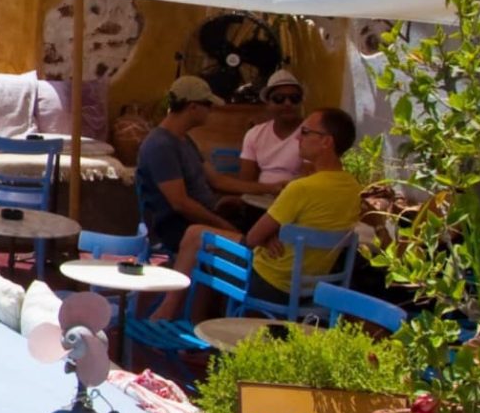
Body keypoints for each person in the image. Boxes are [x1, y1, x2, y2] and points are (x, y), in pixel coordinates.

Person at [150, 108, 365, 318]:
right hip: (311, 288)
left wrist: (265, 237)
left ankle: (168, 314)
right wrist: (271, 235)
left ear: (326, 142)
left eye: (306, 132)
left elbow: (253, 238)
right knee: (206, 246)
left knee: (195, 236)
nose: (298, 138)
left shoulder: (302, 188)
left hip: (268, 283)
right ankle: (197, 329)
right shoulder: (353, 188)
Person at [135, 76, 254, 258]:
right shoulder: (161, 145)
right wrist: (223, 225)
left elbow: (215, 180)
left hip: (202, 216)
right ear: (193, 107)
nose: (210, 111)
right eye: (208, 105)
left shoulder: (184, 139)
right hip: (177, 229)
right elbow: (180, 204)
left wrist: (270, 188)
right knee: (253, 242)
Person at [237, 69, 308, 192]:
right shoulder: (254, 134)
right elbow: (246, 181)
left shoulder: (312, 133)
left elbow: (309, 179)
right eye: (279, 98)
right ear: (268, 103)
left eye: (294, 98)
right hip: (259, 199)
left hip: (297, 199)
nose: (287, 103)